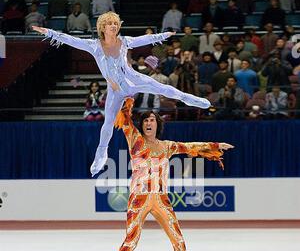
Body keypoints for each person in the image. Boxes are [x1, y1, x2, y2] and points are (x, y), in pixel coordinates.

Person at [32, 12, 211, 177]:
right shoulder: (94, 46)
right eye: (110, 23)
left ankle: (189, 98)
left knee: (163, 87)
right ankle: (101, 153)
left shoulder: (124, 41)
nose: (114, 26)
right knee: (108, 122)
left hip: (134, 80)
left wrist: (162, 36)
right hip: (116, 90)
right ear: (102, 27)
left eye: (116, 23)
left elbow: (144, 39)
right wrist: (49, 32)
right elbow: (70, 39)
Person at [107, 98, 234, 251]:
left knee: (178, 239)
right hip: (138, 199)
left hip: (161, 199)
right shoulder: (135, 140)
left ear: (158, 124)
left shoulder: (167, 147)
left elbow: (189, 147)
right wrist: (124, 98)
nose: (149, 123)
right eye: (146, 120)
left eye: (152, 120)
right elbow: (124, 120)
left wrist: (216, 145)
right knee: (131, 240)